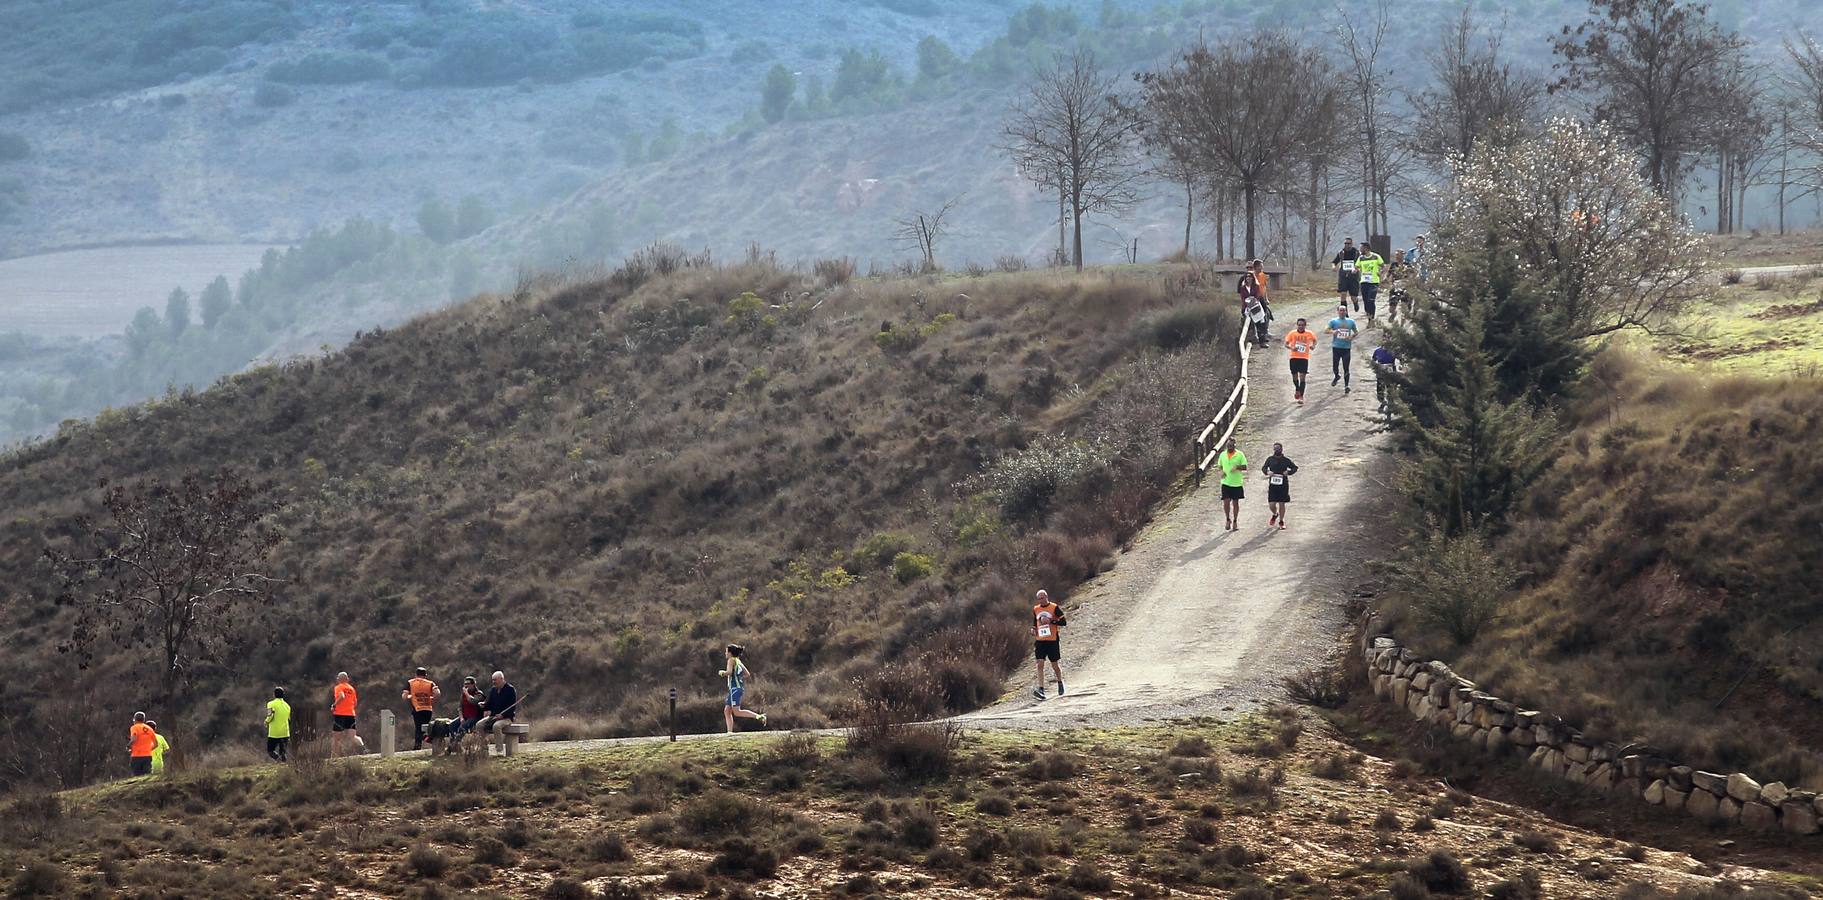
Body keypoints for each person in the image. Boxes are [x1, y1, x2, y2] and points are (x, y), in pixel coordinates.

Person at [718, 648, 768, 732]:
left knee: (737, 712)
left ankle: (759, 716)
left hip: (735, 689)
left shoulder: (731, 660)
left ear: (730, 653)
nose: (725, 653)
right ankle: (729, 732)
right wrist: (738, 678)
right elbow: (747, 674)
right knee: (727, 711)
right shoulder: (738, 661)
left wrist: (722, 673)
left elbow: (729, 672)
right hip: (736, 689)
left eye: (726, 651)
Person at [1030, 589, 1066, 700]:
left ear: (1046, 596)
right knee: (1039, 663)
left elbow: (1064, 622)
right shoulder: (1036, 609)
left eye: (1042, 597)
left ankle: (1060, 682)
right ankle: (1041, 689)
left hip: (1052, 640)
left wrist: (1051, 621)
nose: (1041, 600)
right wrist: (1033, 629)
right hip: (1040, 640)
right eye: (1039, 598)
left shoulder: (1054, 607)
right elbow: (1034, 622)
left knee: (1054, 664)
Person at [475, 670, 521, 752]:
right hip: (493, 716)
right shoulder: (493, 690)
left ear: (501, 679)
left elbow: (512, 707)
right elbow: (489, 704)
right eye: (493, 680)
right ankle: (484, 748)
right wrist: (483, 705)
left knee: (496, 726)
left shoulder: (510, 689)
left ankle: (499, 750)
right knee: (479, 725)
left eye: (495, 680)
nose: (493, 682)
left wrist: (502, 716)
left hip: (506, 718)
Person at [1261, 443, 1299, 530]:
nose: (1277, 450)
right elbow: (1264, 468)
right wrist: (1267, 472)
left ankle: (1281, 521)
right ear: (1273, 450)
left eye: (1278, 449)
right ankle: (1275, 514)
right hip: (1273, 485)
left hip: (1283, 485)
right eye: (1275, 449)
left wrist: (1288, 472)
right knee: (1272, 504)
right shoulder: (1270, 459)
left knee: (1282, 503)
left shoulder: (1286, 460)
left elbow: (1295, 468)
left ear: (1281, 449)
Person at [401, 667, 439, 751]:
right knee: (424, 728)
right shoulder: (430, 683)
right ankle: (418, 746)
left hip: (417, 709)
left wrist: (410, 696)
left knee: (419, 729)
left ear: (416, 675)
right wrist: (431, 697)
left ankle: (428, 742)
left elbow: (404, 696)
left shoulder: (410, 682)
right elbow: (437, 693)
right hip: (428, 709)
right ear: (425, 675)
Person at [447, 675, 485, 754]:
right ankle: (456, 746)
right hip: (465, 716)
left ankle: (451, 747)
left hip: (475, 717)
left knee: (462, 727)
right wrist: (461, 718)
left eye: (468, 684)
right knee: (451, 725)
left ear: (473, 685)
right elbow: (460, 707)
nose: (466, 686)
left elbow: (473, 701)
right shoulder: (463, 695)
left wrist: (466, 693)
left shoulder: (479, 694)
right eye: (465, 684)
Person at [1284, 317, 1317, 404]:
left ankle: (1301, 396)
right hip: (1294, 357)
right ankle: (1297, 389)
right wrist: (1292, 347)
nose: (1301, 327)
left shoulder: (1309, 333)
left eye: (1302, 325)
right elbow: (1286, 344)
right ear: (1297, 325)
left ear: (1305, 325)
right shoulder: (1292, 333)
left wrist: (1313, 346)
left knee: (1302, 377)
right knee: (1295, 377)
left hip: (1304, 358)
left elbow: (1314, 340)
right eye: (1299, 325)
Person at [1328, 304, 1359, 392]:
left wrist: (1351, 336)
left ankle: (1346, 386)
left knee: (1346, 367)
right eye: (1340, 310)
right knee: (1335, 366)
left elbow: (1356, 331)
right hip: (1336, 347)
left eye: (1344, 310)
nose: (1342, 312)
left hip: (1346, 348)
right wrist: (1333, 331)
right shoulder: (1333, 321)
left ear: (1346, 311)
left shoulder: (1351, 322)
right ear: (1338, 312)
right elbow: (1326, 330)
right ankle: (1337, 375)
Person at [1218, 435, 1246, 531]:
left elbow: (1245, 466)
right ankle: (1227, 519)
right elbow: (1220, 466)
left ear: (1234, 445)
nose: (1229, 447)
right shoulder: (1222, 455)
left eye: (1231, 445)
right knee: (1226, 502)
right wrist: (1222, 472)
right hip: (1225, 482)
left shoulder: (1240, 454)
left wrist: (1237, 467)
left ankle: (1235, 521)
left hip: (1236, 483)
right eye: (1228, 445)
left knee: (1235, 503)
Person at [1238, 272, 1271, 347]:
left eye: (1250, 277)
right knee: (1248, 325)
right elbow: (1243, 298)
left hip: (1256, 306)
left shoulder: (1256, 286)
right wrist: (1247, 306)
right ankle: (1249, 342)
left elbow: (1258, 295)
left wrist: (1253, 302)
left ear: (1252, 278)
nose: (1248, 278)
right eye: (1247, 277)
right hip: (1247, 307)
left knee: (1260, 324)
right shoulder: (1243, 288)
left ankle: (1262, 341)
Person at [330, 672, 358, 758]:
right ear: (347, 679)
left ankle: (334, 757)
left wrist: (334, 705)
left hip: (340, 714)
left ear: (339, 679)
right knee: (353, 737)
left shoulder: (339, 687)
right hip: (351, 714)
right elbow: (355, 703)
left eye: (338, 678)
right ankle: (362, 747)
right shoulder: (352, 689)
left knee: (336, 739)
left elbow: (342, 696)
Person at [1356, 244, 1385, 327]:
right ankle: (1369, 318)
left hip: (1374, 281)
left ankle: (1372, 319)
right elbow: (1357, 266)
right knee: (1365, 301)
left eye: (1361, 248)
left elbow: (1383, 266)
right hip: (1364, 282)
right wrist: (1355, 270)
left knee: (1371, 300)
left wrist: (1381, 272)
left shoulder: (1376, 256)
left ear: (1366, 248)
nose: (1360, 249)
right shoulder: (1361, 258)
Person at [1332, 237, 1361, 311]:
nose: (1347, 245)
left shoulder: (1356, 253)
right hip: (1343, 277)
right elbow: (1334, 262)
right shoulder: (1341, 253)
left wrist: (1357, 269)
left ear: (1351, 244)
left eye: (1348, 243)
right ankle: (1344, 312)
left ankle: (1355, 303)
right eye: (1345, 243)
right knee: (1343, 294)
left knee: (1353, 297)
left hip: (1353, 277)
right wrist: (1334, 267)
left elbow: (1361, 264)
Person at [265, 687, 291, 762]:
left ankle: (278, 760)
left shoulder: (270, 704)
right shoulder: (287, 706)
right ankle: (283, 765)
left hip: (274, 733)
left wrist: (266, 721)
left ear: (274, 694)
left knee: (270, 750)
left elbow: (270, 716)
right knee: (283, 752)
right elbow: (289, 719)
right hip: (285, 732)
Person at [128, 711, 156, 777]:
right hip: (147, 756)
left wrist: (128, 746)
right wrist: (148, 749)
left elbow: (134, 739)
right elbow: (156, 744)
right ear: (143, 719)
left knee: (137, 776)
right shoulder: (150, 729)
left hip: (136, 756)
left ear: (135, 719)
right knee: (147, 776)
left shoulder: (134, 727)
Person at [1372, 344, 1398, 412]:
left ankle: (1390, 403)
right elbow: (1373, 360)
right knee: (1380, 389)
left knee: (1391, 388)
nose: (1386, 340)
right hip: (1381, 372)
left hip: (1391, 372)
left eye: (1388, 337)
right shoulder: (1377, 351)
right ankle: (1383, 402)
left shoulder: (1394, 351)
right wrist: (1376, 367)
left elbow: (1401, 360)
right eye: (1385, 337)